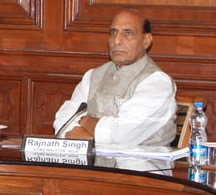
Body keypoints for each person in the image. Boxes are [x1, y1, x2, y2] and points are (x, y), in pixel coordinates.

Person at [52, 9, 177, 149]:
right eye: (113, 32)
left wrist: (84, 120)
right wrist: (94, 134)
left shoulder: (157, 82)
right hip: (91, 167)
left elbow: (122, 135)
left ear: (146, 41)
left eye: (128, 33)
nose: (117, 40)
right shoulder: (93, 75)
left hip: (141, 167)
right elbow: (64, 122)